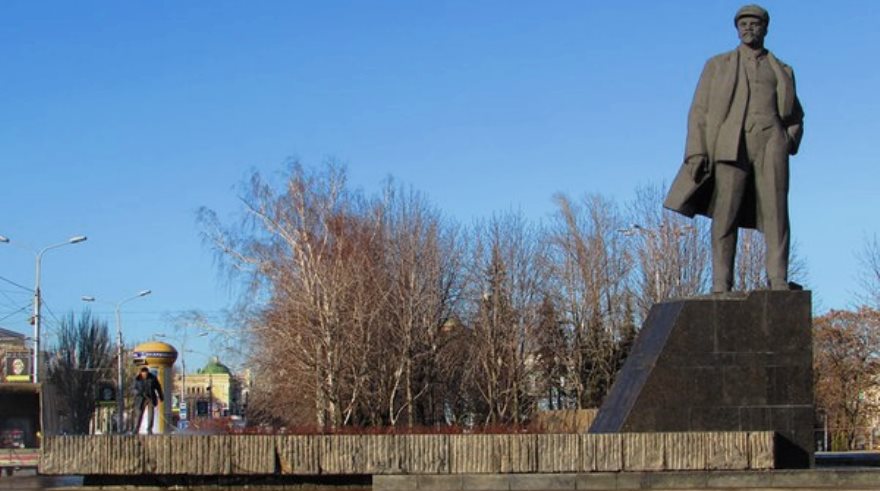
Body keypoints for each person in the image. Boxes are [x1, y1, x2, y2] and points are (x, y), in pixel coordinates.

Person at [664, 4, 804, 293]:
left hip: (771, 142)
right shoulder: (718, 65)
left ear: (766, 29)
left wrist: (787, 140)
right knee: (725, 213)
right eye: (743, 25)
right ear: (737, 29)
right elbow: (699, 111)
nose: (749, 29)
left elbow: (796, 116)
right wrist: (697, 151)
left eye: (755, 24)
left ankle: (777, 279)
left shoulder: (783, 69)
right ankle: (721, 283)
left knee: (777, 213)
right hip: (731, 144)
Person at [132, 367, 164, 434]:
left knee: (151, 414)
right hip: (141, 399)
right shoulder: (137, 379)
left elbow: (158, 387)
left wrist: (161, 396)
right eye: (143, 373)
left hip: (151, 398)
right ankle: (136, 429)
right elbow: (133, 389)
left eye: (146, 373)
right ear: (141, 373)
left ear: (148, 372)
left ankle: (149, 429)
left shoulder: (152, 378)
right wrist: (139, 392)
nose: (145, 375)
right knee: (139, 414)